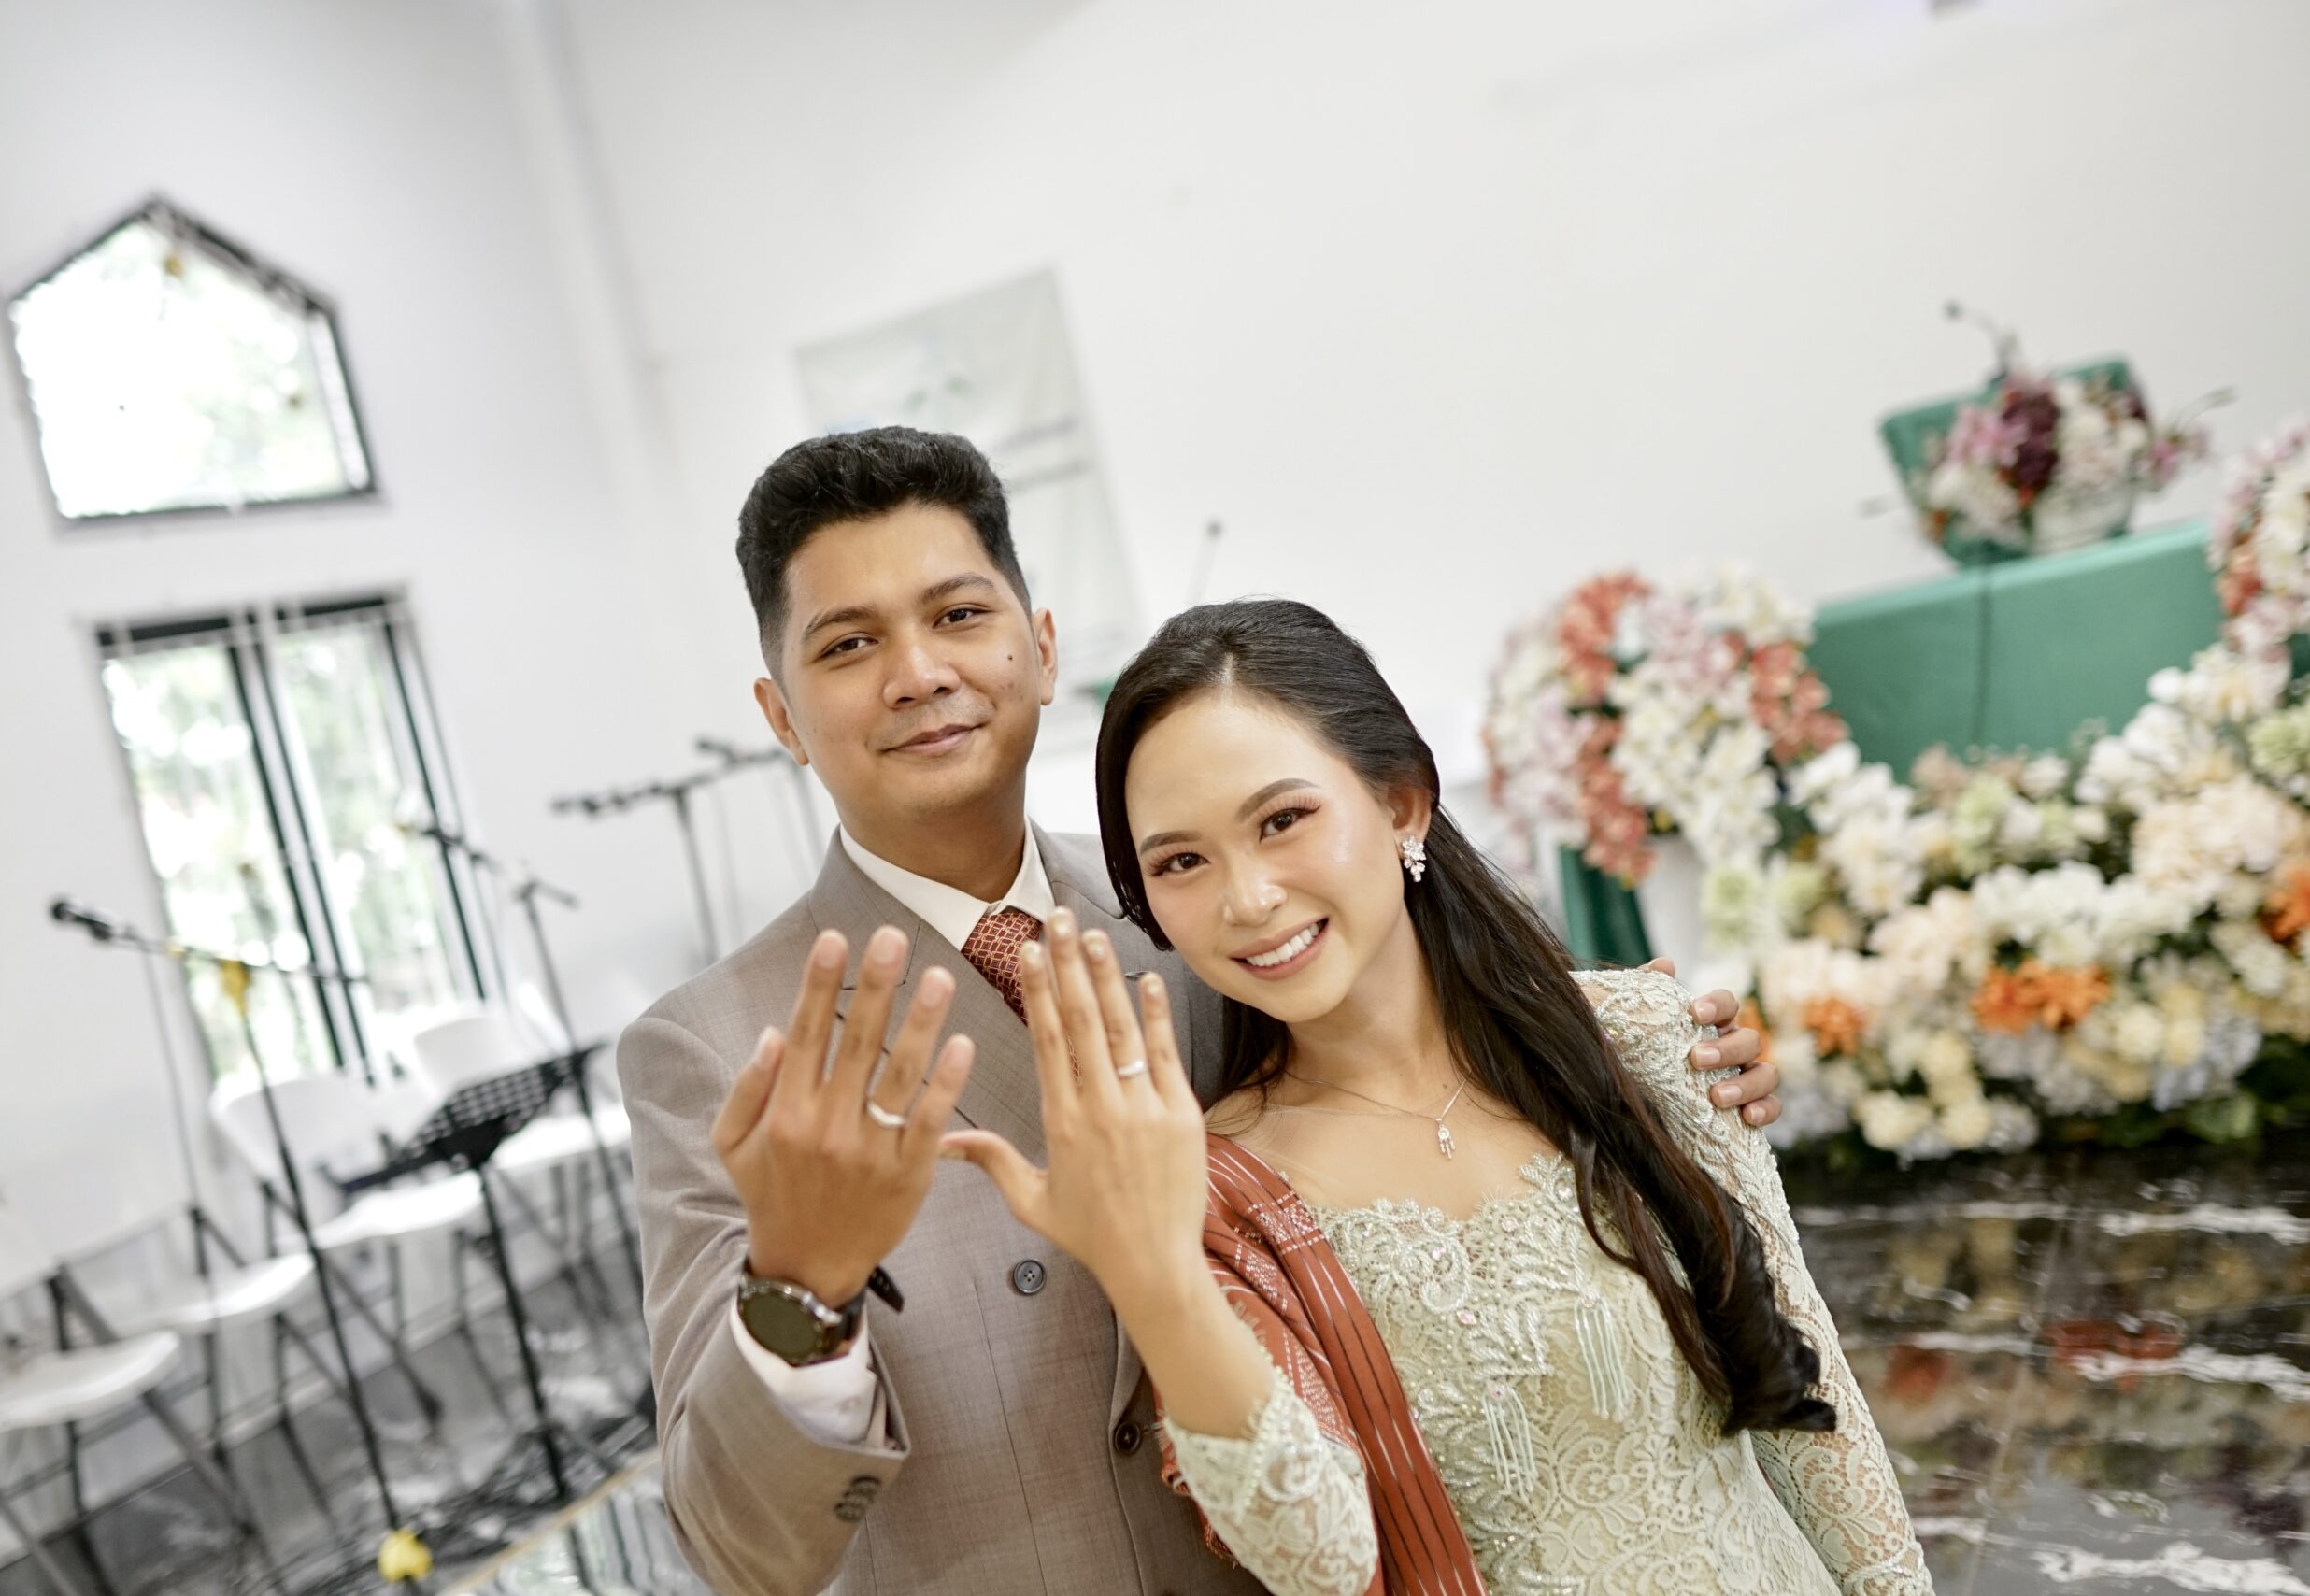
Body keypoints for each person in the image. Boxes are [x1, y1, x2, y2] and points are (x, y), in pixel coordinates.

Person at [616, 428, 1783, 1596]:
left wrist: (1648, 1054)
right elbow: (736, 1550)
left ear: (1041, 648)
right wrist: (799, 1288)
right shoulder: (713, 1049)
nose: (918, 672)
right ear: (780, 714)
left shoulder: (1198, 905)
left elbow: (1429, 1045)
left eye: (958, 615)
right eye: (848, 643)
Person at [946, 598, 1931, 1594]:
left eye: (1282, 820)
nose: (1247, 899)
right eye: (1182, 862)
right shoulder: (1217, 1191)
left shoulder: (1639, 1039)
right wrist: (1154, 1278)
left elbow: (1818, 1424)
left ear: (1402, 803)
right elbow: (1320, 1560)